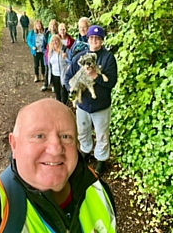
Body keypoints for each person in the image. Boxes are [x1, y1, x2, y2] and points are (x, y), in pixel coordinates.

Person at [0, 99, 116, 233]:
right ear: (14, 144)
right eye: (39, 136)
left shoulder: (98, 189)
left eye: (66, 136)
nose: (55, 149)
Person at [65, 25, 118, 176]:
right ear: (87, 39)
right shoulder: (80, 57)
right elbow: (68, 76)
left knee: (102, 134)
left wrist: (96, 76)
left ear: (102, 40)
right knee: (82, 131)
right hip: (82, 105)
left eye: (97, 38)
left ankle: (101, 159)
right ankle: (86, 151)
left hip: (101, 105)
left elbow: (112, 82)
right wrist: (71, 86)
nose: (94, 40)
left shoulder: (108, 58)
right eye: (91, 38)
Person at [48, 35, 69, 104]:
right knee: (57, 94)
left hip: (64, 75)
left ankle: (64, 109)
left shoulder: (65, 50)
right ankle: (59, 109)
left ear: (59, 41)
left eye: (56, 40)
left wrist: (65, 57)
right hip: (55, 76)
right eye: (52, 41)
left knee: (64, 94)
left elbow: (71, 62)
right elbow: (49, 65)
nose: (54, 42)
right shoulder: (50, 52)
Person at [40, 19, 58, 92]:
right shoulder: (46, 34)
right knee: (47, 70)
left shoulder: (58, 34)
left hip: (56, 55)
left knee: (54, 71)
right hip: (48, 55)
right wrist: (46, 52)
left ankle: (54, 85)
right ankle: (45, 84)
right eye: (51, 25)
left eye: (54, 25)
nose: (52, 27)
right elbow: (42, 46)